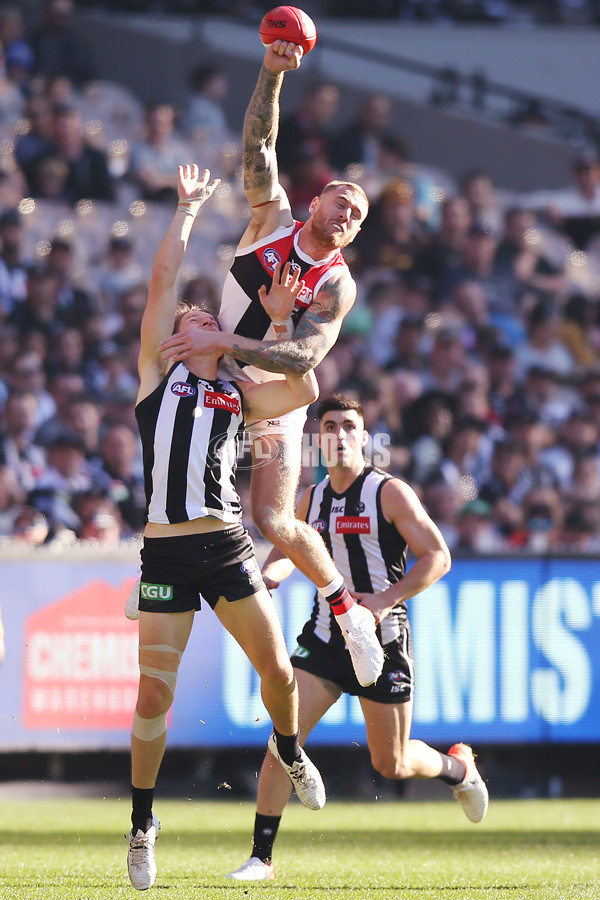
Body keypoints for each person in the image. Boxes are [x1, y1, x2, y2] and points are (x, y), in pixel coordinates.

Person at [158, 39, 383, 690]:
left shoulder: (337, 285)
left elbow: (302, 359)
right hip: (219, 372)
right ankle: (159, 572)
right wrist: (272, 73)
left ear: (355, 235)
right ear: (314, 203)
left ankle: (346, 611)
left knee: (277, 520)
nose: (347, 214)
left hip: (274, 393)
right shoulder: (271, 218)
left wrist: (230, 342)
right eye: (341, 200)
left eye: (359, 215)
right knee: (165, 433)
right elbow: (259, 148)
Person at [126, 163, 325, 892]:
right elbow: (162, 282)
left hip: (225, 545)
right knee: (153, 696)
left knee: (278, 674)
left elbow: (305, 386)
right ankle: (143, 823)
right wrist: (185, 209)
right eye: (197, 317)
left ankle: (289, 747)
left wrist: (269, 327)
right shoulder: (160, 374)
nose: (207, 315)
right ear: (180, 335)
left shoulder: (235, 392)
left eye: (211, 316)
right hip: (167, 553)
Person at [226, 394, 489, 882]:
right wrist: (272, 574)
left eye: (350, 426)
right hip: (326, 640)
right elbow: (292, 547)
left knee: (390, 762)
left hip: (383, 640)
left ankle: (459, 770)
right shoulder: (310, 498)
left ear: (364, 438)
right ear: (318, 439)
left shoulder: (389, 493)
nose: (341, 435)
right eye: (331, 426)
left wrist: (385, 599)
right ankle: (261, 857)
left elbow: (438, 557)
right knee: (283, 741)